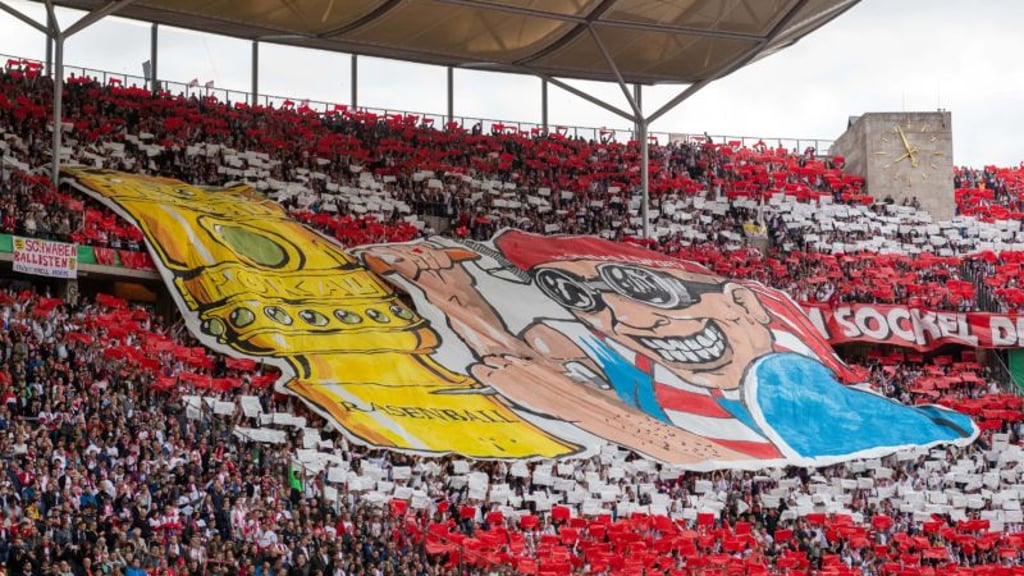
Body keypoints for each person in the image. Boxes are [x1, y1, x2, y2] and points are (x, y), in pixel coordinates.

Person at [361, 230, 977, 464]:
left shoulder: (783, 388)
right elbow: (532, 349)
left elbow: (705, 448)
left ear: (739, 301)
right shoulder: (642, 364)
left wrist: (576, 408)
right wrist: (452, 290)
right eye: (597, 303)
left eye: (646, 292)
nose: (633, 321)